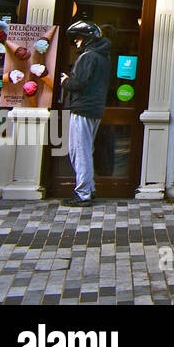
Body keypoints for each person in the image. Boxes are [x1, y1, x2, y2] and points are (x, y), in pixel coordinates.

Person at [60, 21, 110, 208]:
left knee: (78, 151)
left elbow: (79, 83)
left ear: (88, 39)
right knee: (85, 150)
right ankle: (89, 188)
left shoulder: (88, 57)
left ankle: (83, 193)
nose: (76, 43)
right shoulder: (103, 56)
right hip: (94, 108)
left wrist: (65, 81)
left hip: (83, 108)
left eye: (79, 39)